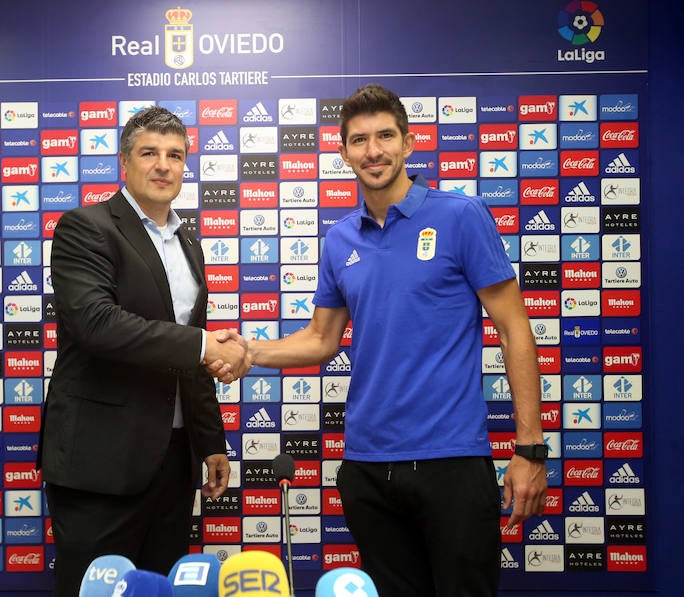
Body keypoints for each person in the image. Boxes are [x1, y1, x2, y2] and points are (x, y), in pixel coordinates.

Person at [210, 84, 547, 596]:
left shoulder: (461, 216)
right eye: (360, 140)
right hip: (368, 468)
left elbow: (513, 328)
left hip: (451, 461)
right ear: (342, 151)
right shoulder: (339, 238)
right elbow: (322, 339)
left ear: (408, 143)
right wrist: (249, 351)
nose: (374, 151)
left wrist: (530, 449)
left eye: (385, 136)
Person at [38, 106, 248, 597]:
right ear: (124, 162)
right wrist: (202, 345)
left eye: (175, 155)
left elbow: (187, 350)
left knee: (161, 590)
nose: (163, 165)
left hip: (172, 464)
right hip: (100, 463)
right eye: (149, 153)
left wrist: (210, 440)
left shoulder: (187, 244)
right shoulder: (86, 227)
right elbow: (96, 324)